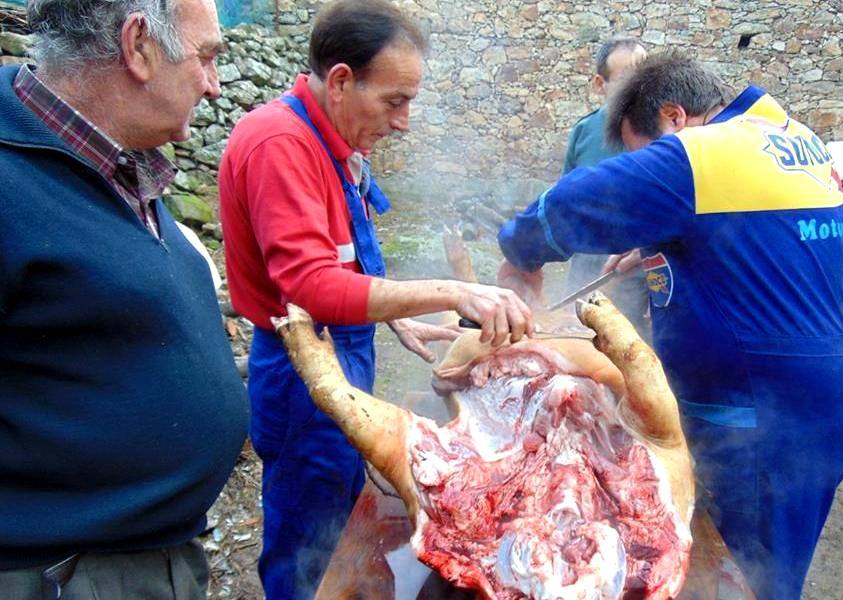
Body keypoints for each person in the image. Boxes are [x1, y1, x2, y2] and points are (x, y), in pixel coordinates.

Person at [497, 51, 843, 599]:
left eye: (641, 152)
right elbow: (758, 248)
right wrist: (667, 245)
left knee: (738, 580)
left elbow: (579, 201)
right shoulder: (785, 136)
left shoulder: (703, 152)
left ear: (674, 117)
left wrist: (519, 254)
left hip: (764, 426)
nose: (650, 163)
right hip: (815, 409)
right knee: (750, 573)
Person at [218, 1, 532, 598]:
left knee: (345, 516)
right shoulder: (279, 144)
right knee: (311, 542)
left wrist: (394, 321)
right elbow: (309, 284)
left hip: (344, 351)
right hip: (300, 374)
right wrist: (454, 290)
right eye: (395, 101)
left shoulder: (335, 143)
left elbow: (343, 256)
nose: (406, 121)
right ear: (340, 81)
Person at [0, 0, 249, 598]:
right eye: (207, 57)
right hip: (66, 575)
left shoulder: (116, 161)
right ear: (138, 44)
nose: (215, 87)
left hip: (153, 557)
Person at [562, 35, 651, 339]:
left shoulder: (665, 135)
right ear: (601, 84)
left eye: (645, 76)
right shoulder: (584, 132)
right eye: (628, 79)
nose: (640, 89)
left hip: (639, 279)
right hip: (585, 273)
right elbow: (565, 205)